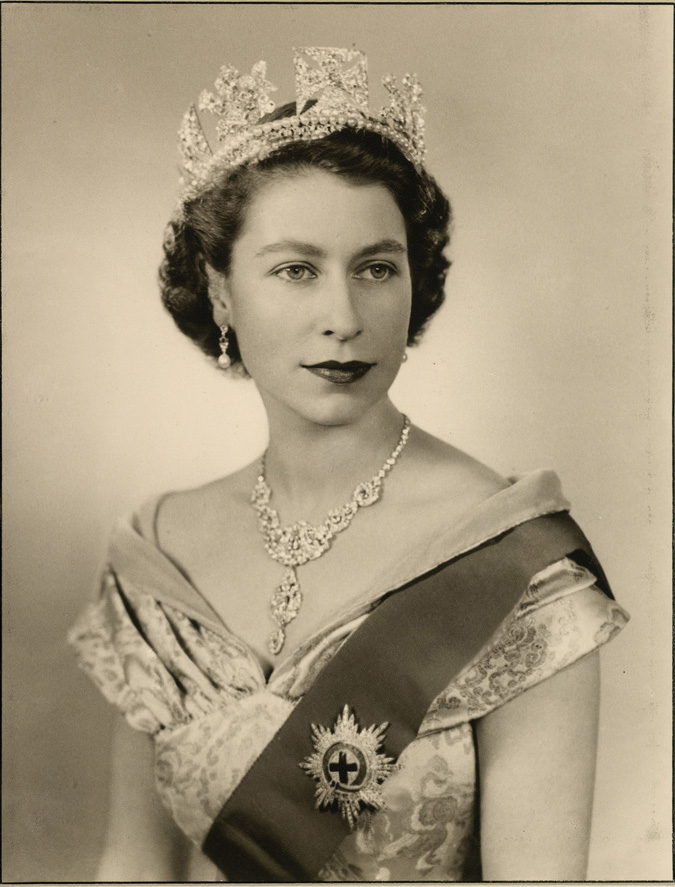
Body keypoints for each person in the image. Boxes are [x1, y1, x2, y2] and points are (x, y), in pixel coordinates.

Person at [69, 47, 629, 882]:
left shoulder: (514, 562)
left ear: (413, 284)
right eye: (295, 270)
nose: (343, 315)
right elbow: (132, 865)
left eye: (375, 268)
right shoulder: (158, 555)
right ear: (221, 292)